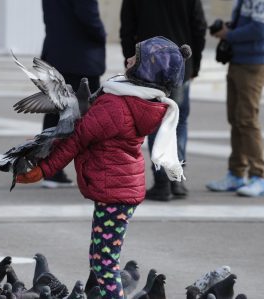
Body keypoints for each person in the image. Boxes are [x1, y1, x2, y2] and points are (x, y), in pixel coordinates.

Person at [17, 37, 190, 299]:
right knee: (99, 256)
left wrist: (43, 169)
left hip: (116, 192)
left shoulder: (117, 104)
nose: (129, 60)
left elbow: (77, 139)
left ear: (145, 71)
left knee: (105, 263)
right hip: (119, 188)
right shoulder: (134, 97)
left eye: (136, 58)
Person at [119, 0, 207, 201]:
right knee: (179, 122)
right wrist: (195, 64)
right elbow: (199, 28)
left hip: (149, 68)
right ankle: (176, 180)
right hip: (180, 66)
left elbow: (127, 29)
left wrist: (131, 62)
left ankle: (162, 183)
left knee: (156, 122)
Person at [206, 0, 264, 197]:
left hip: (254, 63)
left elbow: (259, 30)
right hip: (239, 59)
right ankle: (236, 173)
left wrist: (227, 35)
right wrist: (230, 27)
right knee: (236, 118)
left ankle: (258, 176)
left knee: (247, 119)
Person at [40, 0, 106, 188]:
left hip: (56, 55)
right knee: (89, 118)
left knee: (55, 115)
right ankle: (92, 170)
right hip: (81, 58)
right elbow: (89, 17)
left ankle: (50, 169)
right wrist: (101, 34)